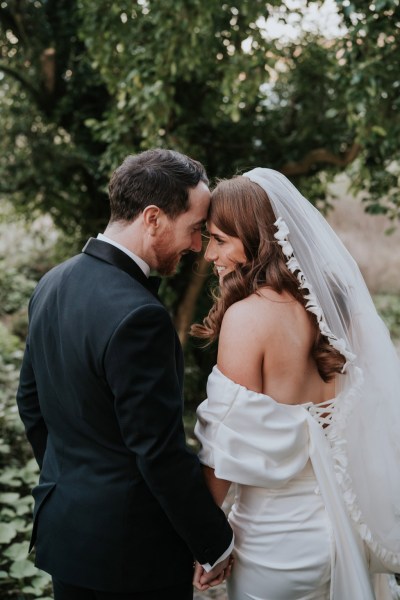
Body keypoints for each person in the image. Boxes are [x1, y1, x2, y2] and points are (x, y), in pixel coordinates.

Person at [16, 148, 233, 600]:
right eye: (194, 229)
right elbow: (158, 452)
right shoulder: (140, 316)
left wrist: (77, 486)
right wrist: (214, 542)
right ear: (153, 217)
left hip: (68, 538)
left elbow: (31, 405)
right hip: (132, 559)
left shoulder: (52, 283)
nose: (197, 247)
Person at [192, 168, 400, 599]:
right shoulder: (334, 308)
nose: (210, 255)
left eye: (219, 239)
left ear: (255, 239)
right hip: (341, 531)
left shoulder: (247, 317)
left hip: (276, 543)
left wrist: (203, 542)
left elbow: (223, 449)